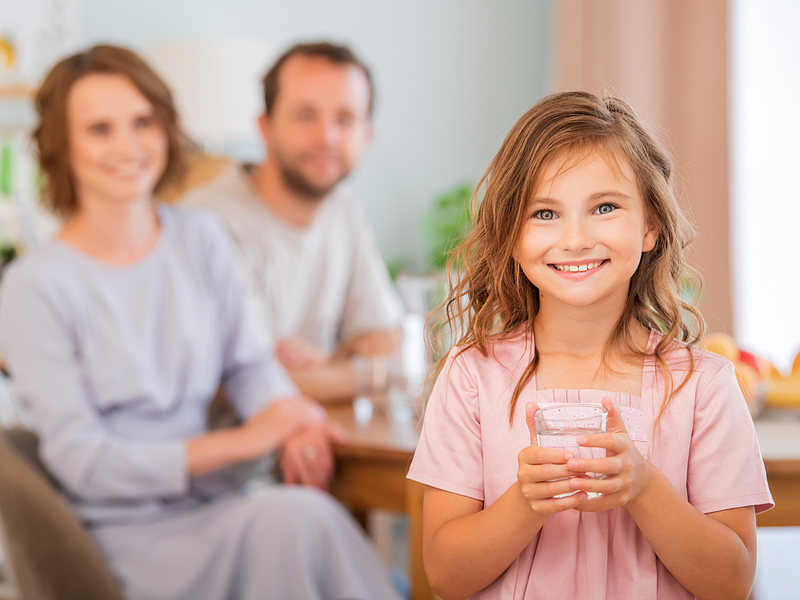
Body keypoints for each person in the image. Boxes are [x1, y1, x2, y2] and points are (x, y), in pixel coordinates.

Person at [0, 45, 402, 600]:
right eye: (100, 129)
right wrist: (247, 441)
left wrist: (292, 417)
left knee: (302, 520)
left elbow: (249, 365)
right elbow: (84, 463)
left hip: (218, 504)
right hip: (126, 536)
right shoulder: (33, 286)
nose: (129, 146)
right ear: (62, 147)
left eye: (143, 122)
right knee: (297, 523)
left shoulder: (198, 238)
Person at [407, 91, 773, 599]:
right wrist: (525, 504)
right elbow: (445, 575)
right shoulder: (473, 376)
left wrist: (643, 488)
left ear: (650, 225)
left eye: (604, 207)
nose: (575, 239)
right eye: (544, 214)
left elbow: (732, 581)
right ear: (512, 235)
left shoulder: (704, 386)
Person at [182, 42, 403, 403]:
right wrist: (364, 372)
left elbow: (384, 341)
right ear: (264, 127)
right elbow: (245, 381)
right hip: (228, 452)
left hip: (315, 440)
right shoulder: (207, 222)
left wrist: (322, 367)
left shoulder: (343, 208)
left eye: (345, 119)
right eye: (305, 115)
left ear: (366, 137)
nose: (327, 137)